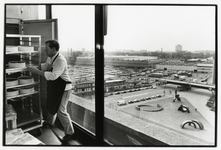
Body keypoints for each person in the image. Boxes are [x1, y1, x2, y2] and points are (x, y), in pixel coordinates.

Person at [27, 39, 75, 141]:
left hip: (64, 89)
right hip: (56, 87)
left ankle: (70, 132)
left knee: (61, 110)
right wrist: (35, 67)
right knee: (52, 105)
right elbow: (46, 66)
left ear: (53, 49)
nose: (45, 51)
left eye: (46, 48)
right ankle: (49, 123)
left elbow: (53, 76)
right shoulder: (51, 57)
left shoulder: (60, 60)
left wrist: (37, 71)